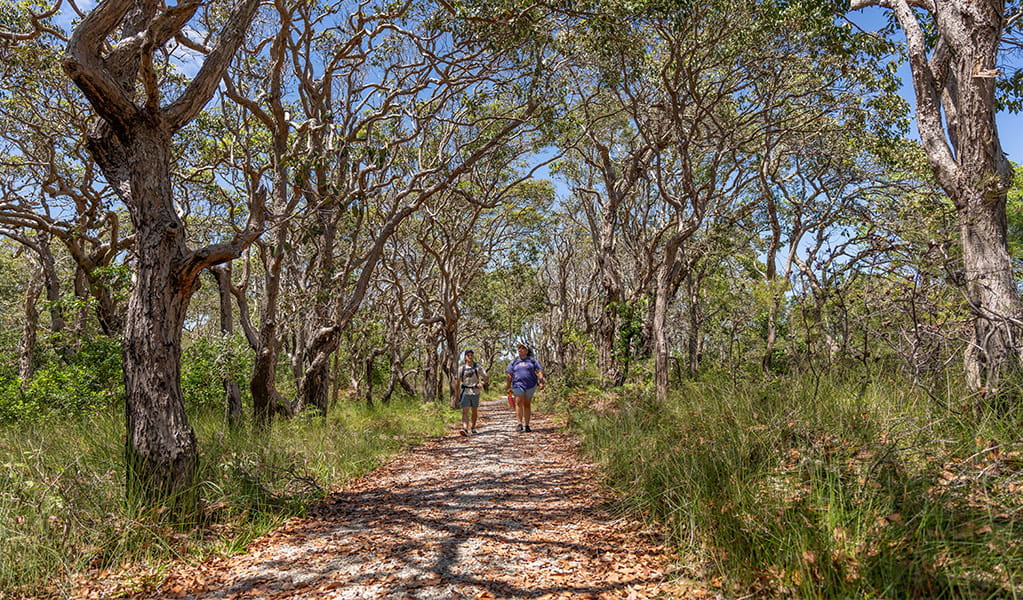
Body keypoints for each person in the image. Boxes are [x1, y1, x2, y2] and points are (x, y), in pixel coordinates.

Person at [506, 342, 545, 432]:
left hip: (530, 385)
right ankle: (519, 424)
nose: (520, 350)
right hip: (518, 384)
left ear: (527, 351)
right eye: (519, 348)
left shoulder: (532, 361)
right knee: (518, 402)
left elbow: (539, 372)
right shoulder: (514, 361)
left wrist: (541, 382)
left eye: (523, 348)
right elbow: (509, 375)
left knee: (527, 404)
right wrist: (508, 387)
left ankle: (527, 425)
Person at [455, 350, 488, 436]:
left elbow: (485, 376)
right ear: (465, 357)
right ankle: (465, 429)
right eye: (468, 355)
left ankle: (473, 427)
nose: (470, 357)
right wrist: (456, 395)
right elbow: (457, 382)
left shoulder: (477, 367)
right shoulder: (461, 369)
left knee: (474, 410)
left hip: (475, 392)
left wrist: (482, 383)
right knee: (465, 410)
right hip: (465, 391)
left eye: (471, 355)